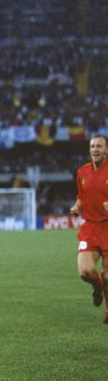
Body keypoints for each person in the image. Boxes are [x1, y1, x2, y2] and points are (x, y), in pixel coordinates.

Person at [70, 134, 108, 324]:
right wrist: (77, 207)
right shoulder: (82, 172)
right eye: (92, 146)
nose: (95, 149)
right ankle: (97, 286)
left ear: (106, 150)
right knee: (85, 271)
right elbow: (81, 196)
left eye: (99, 146)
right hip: (90, 227)